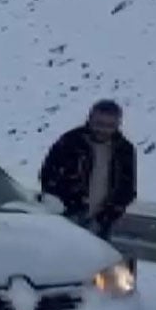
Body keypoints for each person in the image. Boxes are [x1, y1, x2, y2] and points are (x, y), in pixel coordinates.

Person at [38, 99, 137, 240]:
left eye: (110, 126)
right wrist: (66, 204)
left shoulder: (124, 150)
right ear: (90, 119)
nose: (103, 130)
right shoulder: (70, 142)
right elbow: (47, 175)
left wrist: (109, 214)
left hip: (101, 223)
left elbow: (127, 188)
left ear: (118, 124)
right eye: (99, 124)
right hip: (67, 217)